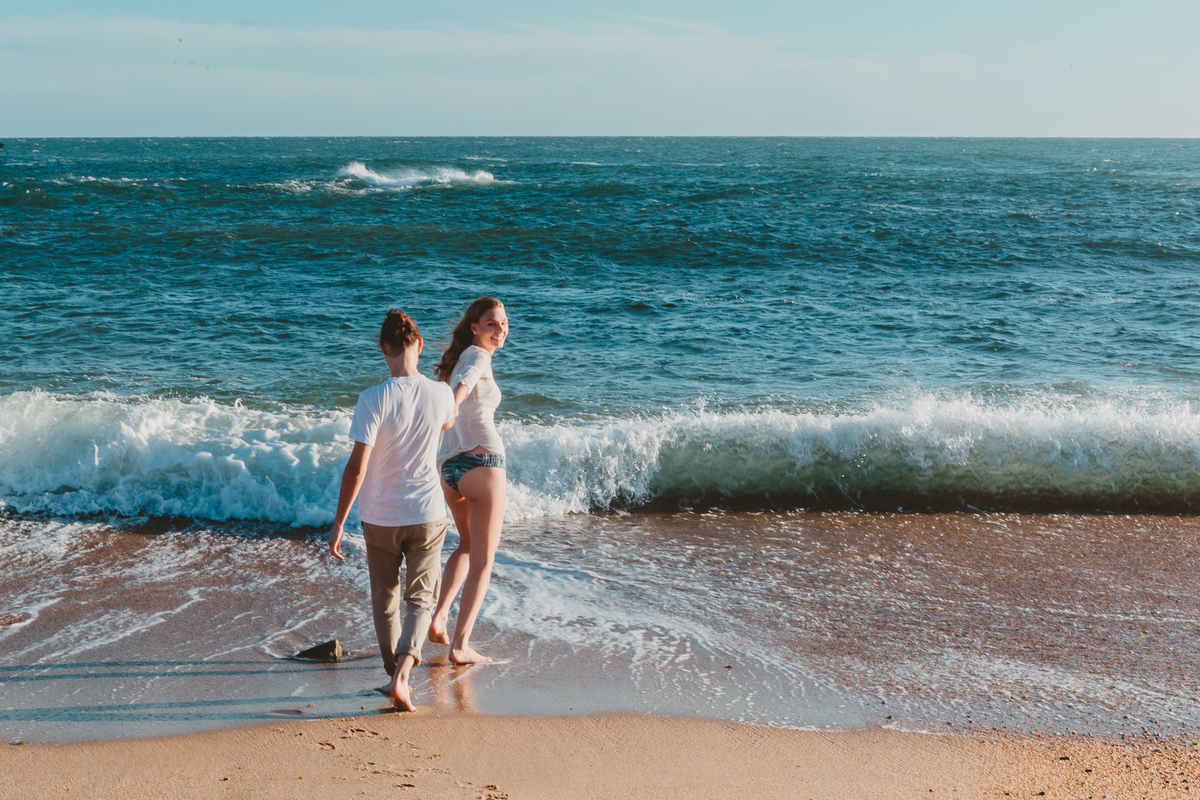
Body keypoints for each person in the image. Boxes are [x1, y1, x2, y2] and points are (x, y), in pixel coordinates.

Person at [329, 310, 455, 711]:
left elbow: (356, 467)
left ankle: (393, 678)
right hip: (427, 513)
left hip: (380, 516)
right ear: (419, 345)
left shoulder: (372, 399)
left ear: (383, 349)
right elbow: (449, 421)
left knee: (385, 598)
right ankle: (404, 676)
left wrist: (337, 524)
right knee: (421, 598)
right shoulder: (441, 393)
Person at [427, 297, 509, 664]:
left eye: (504, 323)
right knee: (483, 560)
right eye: (492, 323)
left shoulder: (455, 360)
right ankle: (459, 646)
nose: (501, 329)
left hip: (450, 470)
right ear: (474, 327)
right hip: (483, 463)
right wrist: (454, 406)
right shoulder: (477, 357)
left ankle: (440, 617)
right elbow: (464, 386)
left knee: (466, 544)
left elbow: (455, 385)